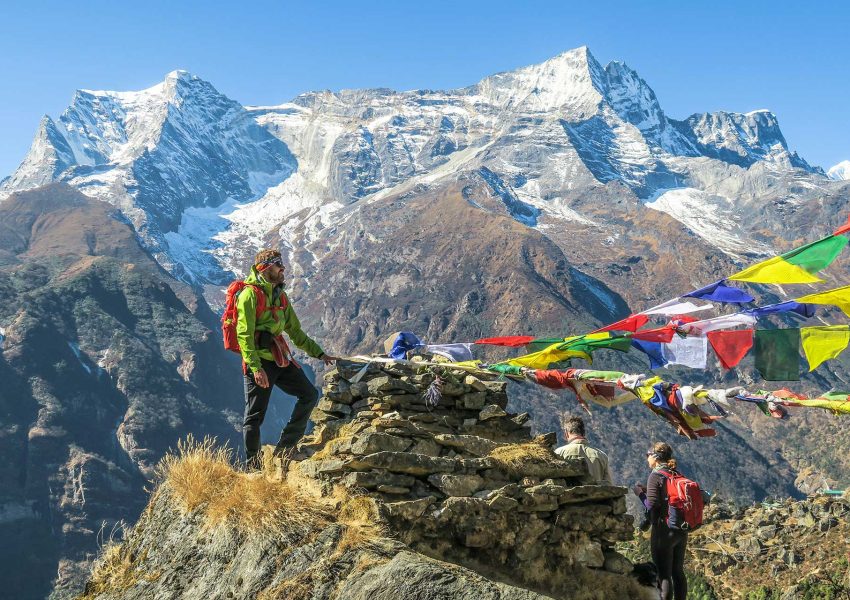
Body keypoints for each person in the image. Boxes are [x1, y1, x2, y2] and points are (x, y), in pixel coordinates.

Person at [236, 249, 337, 469]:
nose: (283, 269)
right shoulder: (249, 295)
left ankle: (286, 445)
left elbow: (295, 331)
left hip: (279, 358)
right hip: (260, 363)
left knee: (309, 394)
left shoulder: (280, 295)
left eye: (282, 265)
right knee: (254, 417)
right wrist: (255, 368)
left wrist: (319, 353)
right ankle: (253, 467)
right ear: (265, 268)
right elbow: (244, 335)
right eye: (278, 266)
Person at [634, 442, 688, 600]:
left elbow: (651, 506)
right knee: (677, 571)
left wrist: (639, 493)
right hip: (680, 529)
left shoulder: (655, 475)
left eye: (648, 455)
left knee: (663, 574)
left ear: (655, 457)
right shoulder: (674, 473)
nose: (647, 458)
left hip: (663, 530)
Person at [554, 415, 612, 484]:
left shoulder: (558, 453)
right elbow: (609, 485)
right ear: (583, 433)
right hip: (595, 494)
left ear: (566, 433)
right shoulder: (602, 456)